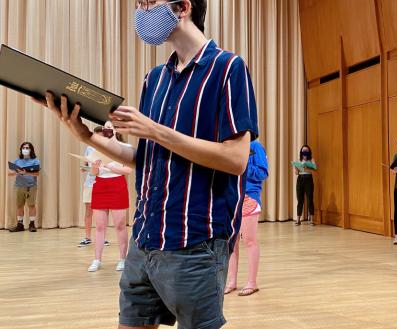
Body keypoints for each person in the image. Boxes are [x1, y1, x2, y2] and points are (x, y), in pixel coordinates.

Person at [37, 0, 258, 327]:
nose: (140, 9)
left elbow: (236, 159)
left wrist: (155, 130)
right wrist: (86, 136)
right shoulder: (154, 79)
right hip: (143, 240)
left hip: (194, 244)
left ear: (182, 7)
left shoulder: (228, 68)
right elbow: (147, 159)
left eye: (147, 2)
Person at [87, 122, 132, 272]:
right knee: (99, 226)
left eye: (110, 128)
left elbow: (129, 169)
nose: (107, 130)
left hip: (117, 185)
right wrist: (95, 166)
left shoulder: (125, 148)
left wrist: (114, 168)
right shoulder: (97, 149)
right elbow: (94, 172)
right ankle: (97, 259)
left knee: (120, 225)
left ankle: (122, 259)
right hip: (100, 186)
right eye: (105, 128)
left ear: (115, 130)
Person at [225, 140, 268, 296]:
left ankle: (252, 282)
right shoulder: (230, 145)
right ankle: (231, 282)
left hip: (249, 197)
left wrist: (242, 163)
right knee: (231, 242)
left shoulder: (255, 147)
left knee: (249, 240)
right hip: (231, 196)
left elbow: (263, 173)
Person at [78, 126, 110, 247]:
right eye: (97, 135)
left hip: (104, 181)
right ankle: (87, 237)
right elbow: (86, 164)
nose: (98, 137)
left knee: (103, 211)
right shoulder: (89, 148)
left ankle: (103, 238)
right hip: (90, 183)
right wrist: (84, 168)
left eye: (101, 135)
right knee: (88, 210)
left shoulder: (108, 148)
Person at [8, 142, 41, 232]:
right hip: (19, 186)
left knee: (31, 205)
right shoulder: (17, 161)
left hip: (31, 186)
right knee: (19, 205)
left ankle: (32, 224)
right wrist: (17, 172)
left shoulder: (35, 161)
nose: (25, 150)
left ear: (31, 150)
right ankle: (20, 224)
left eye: (27, 148)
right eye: (23, 148)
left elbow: (37, 173)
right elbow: (9, 173)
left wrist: (25, 172)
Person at [294, 145, 317, 225]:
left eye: (306, 150)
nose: (305, 152)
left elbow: (314, 171)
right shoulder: (298, 160)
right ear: (301, 151)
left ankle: (311, 220)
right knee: (300, 200)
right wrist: (297, 169)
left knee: (310, 199)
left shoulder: (311, 159)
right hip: (300, 179)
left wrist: (306, 168)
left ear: (309, 151)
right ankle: (298, 220)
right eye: (303, 150)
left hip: (308, 179)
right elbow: (296, 173)